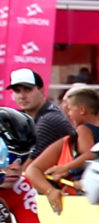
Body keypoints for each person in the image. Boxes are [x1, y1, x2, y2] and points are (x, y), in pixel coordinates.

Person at [11, 72, 72, 213]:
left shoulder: (49, 120)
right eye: (17, 91)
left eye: (28, 89)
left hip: (59, 199)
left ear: (41, 90)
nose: (22, 95)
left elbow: (25, 168)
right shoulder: (24, 118)